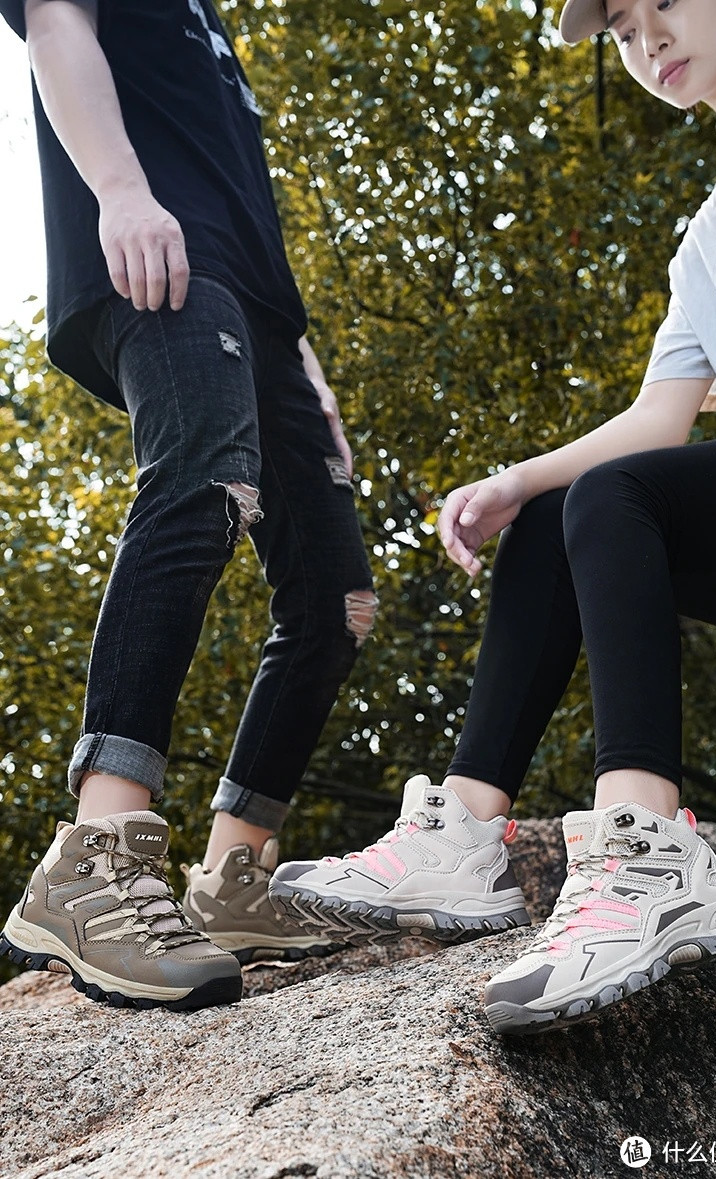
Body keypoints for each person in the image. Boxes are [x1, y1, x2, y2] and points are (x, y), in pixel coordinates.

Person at [270, 0, 716, 1035]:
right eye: (624, 29)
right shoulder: (710, 238)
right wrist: (515, 482)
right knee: (565, 511)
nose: (647, 40)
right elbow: (657, 422)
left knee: (614, 497)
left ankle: (643, 847)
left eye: (662, 5)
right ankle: (463, 836)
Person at [0, 0, 377, 1011]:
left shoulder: (208, 27)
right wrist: (120, 191)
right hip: (158, 255)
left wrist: (300, 356)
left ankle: (232, 879)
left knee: (339, 602)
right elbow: (51, 24)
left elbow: (243, 195)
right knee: (205, 491)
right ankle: (92, 857)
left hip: (257, 309)